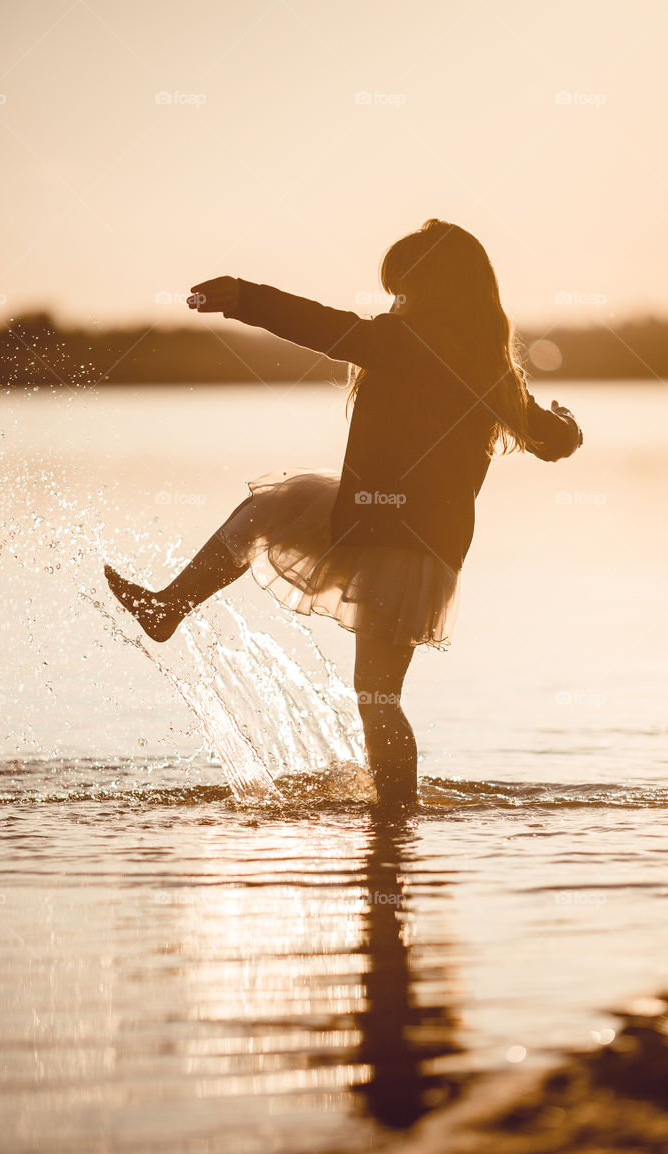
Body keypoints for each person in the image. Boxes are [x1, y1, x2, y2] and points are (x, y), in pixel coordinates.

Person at [105, 220, 583, 809]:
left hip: (395, 534)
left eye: (402, 289)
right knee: (266, 516)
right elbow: (550, 440)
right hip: (409, 532)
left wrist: (247, 297)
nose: (395, 302)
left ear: (433, 289)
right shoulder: (492, 371)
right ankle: (168, 607)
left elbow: (322, 327)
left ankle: (395, 819)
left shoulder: (402, 341)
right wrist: (568, 425)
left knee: (377, 693)